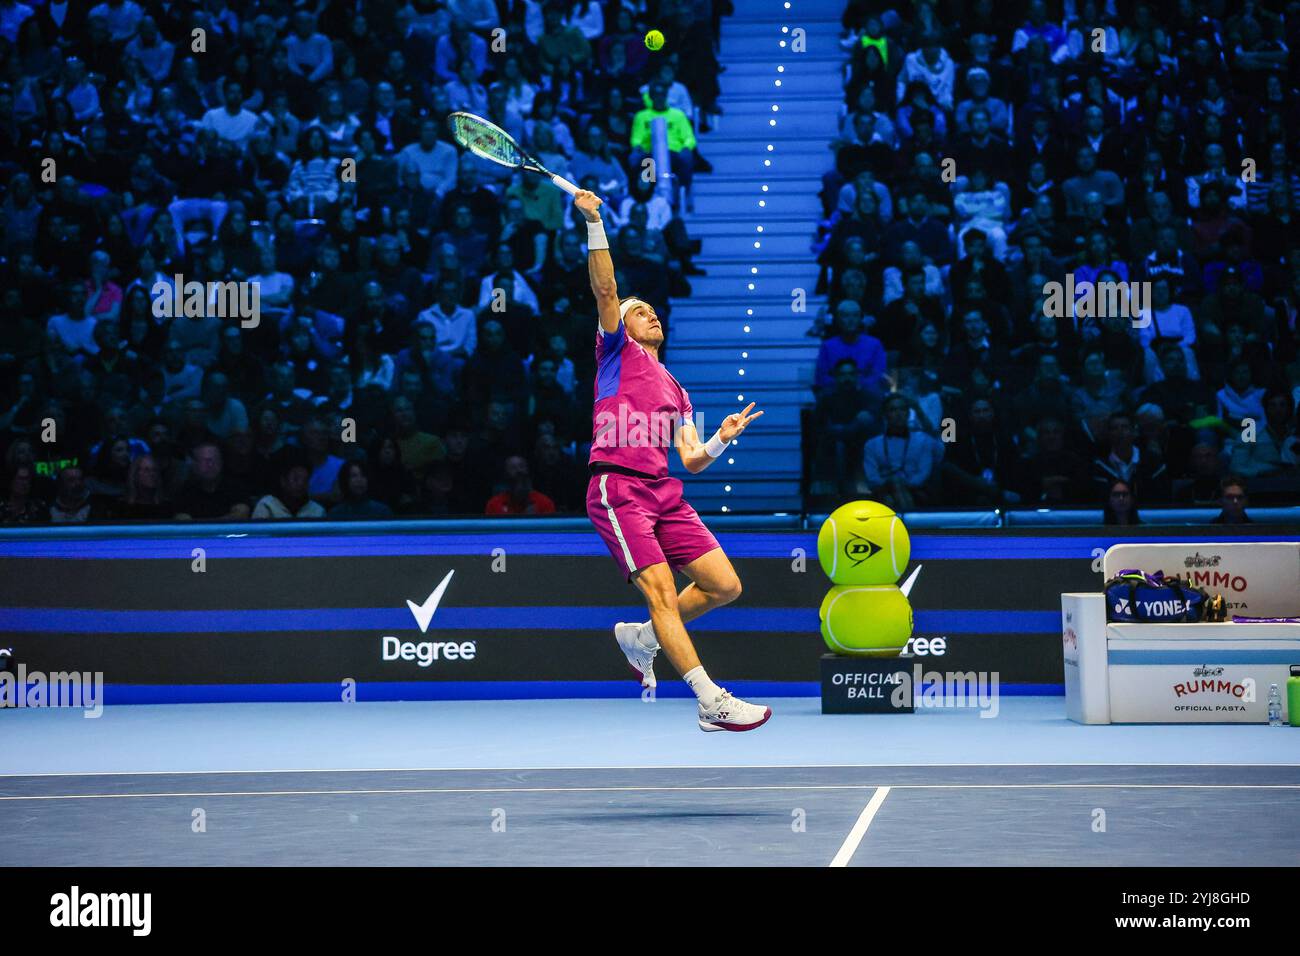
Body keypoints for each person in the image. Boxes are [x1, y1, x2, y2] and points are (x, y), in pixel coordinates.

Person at [575, 188, 771, 733]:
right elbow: (606, 286)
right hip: (618, 488)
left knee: (724, 586)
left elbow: (691, 459)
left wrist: (721, 438)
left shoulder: (676, 387)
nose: (651, 316)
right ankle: (710, 700)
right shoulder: (615, 351)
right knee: (661, 590)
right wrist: (595, 222)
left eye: (655, 312)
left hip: (663, 492)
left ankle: (642, 637)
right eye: (642, 312)